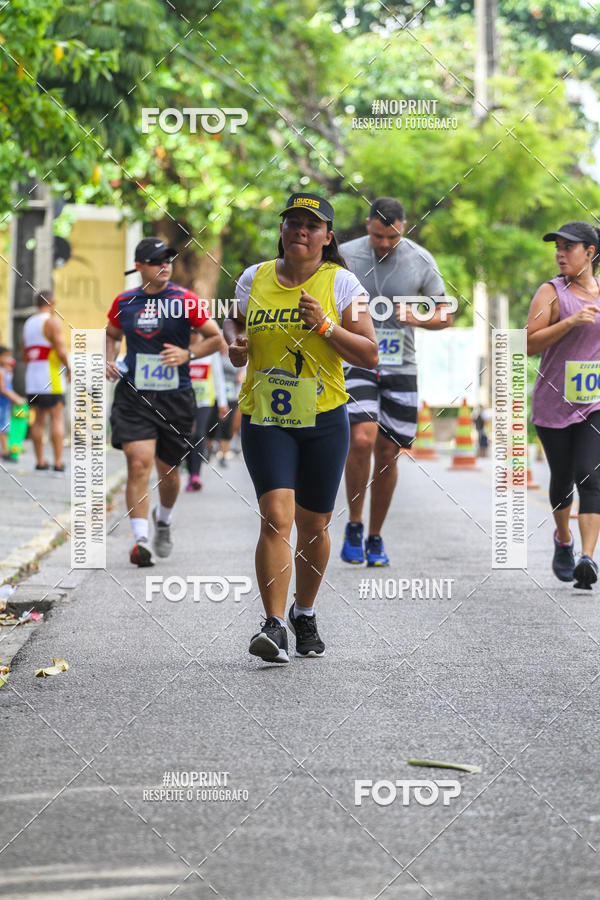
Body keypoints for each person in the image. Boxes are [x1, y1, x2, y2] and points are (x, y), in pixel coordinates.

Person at [224, 192, 377, 664]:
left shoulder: (342, 283)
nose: (301, 231)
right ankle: (273, 625)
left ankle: (303, 612)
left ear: (327, 236)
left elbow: (369, 353)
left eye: (311, 225)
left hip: (324, 418)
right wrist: (236, 346)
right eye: (293, 222)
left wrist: (325, 326)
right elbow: (233, 324)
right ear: (282, 230)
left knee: (314, 526)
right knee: (276, 516)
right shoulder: (254, 278)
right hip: (266, 415)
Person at [339, 197, 454, 566]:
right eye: (378, 236)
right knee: (361, 440)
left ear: (404, 228)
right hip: (356, 362)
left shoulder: (420, 259)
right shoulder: (344, 255)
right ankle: (354, 523)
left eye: (392, 237)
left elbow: (445, 314)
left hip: (400, 366)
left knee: (388, 453)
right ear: (368, 226)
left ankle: (375, 536)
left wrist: (416, 318)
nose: (385, 243)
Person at [106, 237, 222, 566]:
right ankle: (140, 540)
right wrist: (108, 359)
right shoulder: (125, 301)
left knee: (169, 473)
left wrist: (188, 353)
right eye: (157, 261)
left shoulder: (185, 300)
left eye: (168, 260)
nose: (165, 266)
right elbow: (111, 334)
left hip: (176, 397)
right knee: (137, 463)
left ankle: (164, 520)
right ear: (139, 266)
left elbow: (215, 338)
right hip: (134, 396)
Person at [527, 221, 600, 589]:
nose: (560, 253)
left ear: (590, 252)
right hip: (553, 404)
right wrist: (570, 322)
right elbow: (528, 344)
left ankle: (587, 558)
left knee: (590, 475)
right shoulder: (551, 293)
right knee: (562, 481)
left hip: (594, 403)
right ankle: (564, 538)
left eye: (568, 247)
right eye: (557, 247)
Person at [22, 290, 70, 471]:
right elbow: (61, 351)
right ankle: (57, 463)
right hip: (51, 377)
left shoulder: (28, 323)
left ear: (36, 304)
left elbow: (24, 355)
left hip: (33, 378)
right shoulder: (52, 322)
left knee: (38, 420)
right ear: (52, 302)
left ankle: (40, 461)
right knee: (57, 418)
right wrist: (69, 369)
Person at [186, 348, 228, 490]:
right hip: (185, 401)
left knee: (198, 435)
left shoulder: (211, 351)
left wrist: (222, 403)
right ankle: (190, 472)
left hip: (205, 401)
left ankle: (195, 475)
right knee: (188, 436)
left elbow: (218, 377)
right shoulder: (183, 345)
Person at [0, 347, 26, 461]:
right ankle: (6, 452)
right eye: (6, 356)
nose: (9, 359)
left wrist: (17, 398)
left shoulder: (6, 371)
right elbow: (3, 390)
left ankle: (6, 450)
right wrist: (17, 399)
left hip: (5, 404)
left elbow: (9, 388)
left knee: (5, 426)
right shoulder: (1, 372)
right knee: (3, 427)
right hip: (1, 404)